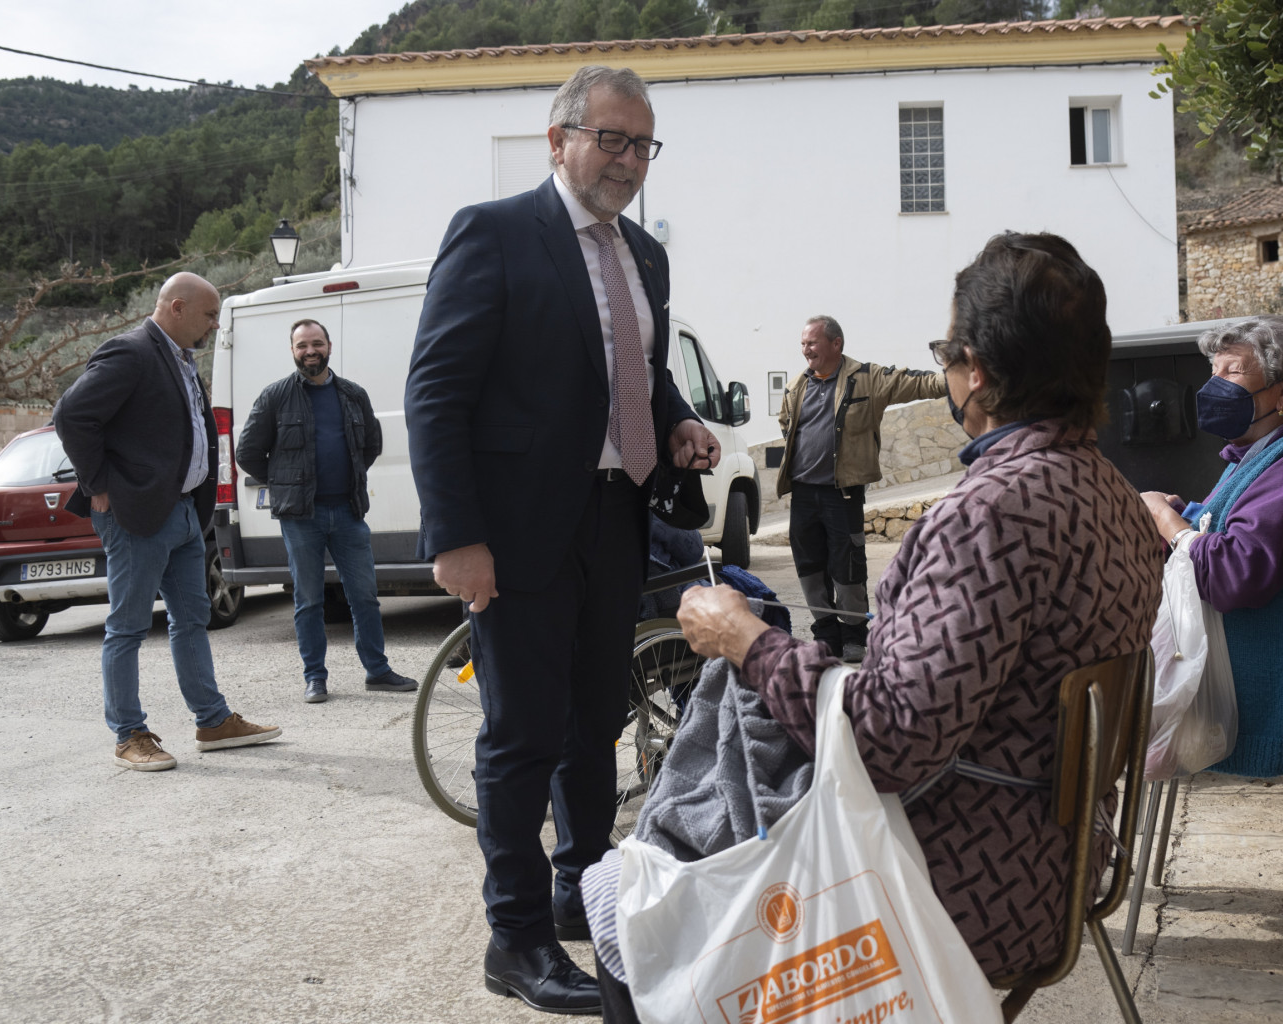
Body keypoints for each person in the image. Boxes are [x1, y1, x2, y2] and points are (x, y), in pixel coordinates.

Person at [593, 232, 1164, 1015]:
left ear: (980, 373)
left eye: (946, 353)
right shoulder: (1115, 497)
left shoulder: (990, 516)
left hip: (958, 879)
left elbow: (889, 741)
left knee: (629, 907)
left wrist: (747, 642)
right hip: (1060, 857)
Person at [404, 65, 722, 1015]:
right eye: (611, 140)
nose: (627, 162)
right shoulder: (495, 234)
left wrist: (678, 421)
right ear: (560, 140)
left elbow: (641, 369)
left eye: (642, 146)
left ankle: (584, 892)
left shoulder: (646, 256)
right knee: (523, 735)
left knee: (599, 722)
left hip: (617, 518)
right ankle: (516, 938)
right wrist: (457, 538)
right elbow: (436, 393)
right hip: (518, 534)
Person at [53, 273, 281, 772]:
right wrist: (99, 486)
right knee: (129, 628)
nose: (215, 324)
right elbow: (72, 414)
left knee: (192, 620)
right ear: (177, 307)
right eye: (209, 314)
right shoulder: (131, 352)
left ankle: (213, 721)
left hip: (182, 513)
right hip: (138, 515)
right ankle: (129, 735)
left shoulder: (179, 358)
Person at [1139, 315, 1283, 782]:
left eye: (1231, 372)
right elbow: (1226, 532)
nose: (1213, 386)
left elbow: (1233, 576)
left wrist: (1167, 523)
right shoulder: (1260, 454)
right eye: (1212, 372)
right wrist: (1183, 515)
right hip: (1228, 672)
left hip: (1258, 692)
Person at [235, 319, 417, 704]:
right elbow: (246, 452)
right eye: (302, 346)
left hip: (349, 512)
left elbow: (371, 444)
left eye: (316, 343)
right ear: (292, 351)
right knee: (309, 599)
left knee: (365, 596)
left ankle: (377, 671)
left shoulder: (352, 394)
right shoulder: (275, 396)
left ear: (329, 346)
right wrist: (286, 481)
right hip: (301, 517)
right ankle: (315, 677)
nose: (310, 351)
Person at [774, 315, 946, 663]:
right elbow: (786, 423)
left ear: (836, 344)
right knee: (810, 567)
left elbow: (916, 383)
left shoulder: (867, 378)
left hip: (843, 494)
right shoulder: (796, 386)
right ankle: (825, 635)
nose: (805, 349)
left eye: (812, 343)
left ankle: (854, 635)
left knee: (847, 567)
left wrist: (954, 380)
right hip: (804, 495)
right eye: (803, 343)